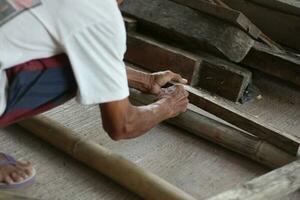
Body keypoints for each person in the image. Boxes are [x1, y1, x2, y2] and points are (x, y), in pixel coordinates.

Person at [0, 0, 189, 188]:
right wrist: (168, 105)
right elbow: (123, 124)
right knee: (80, 70)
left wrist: (144, 80)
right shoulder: (101, 15)